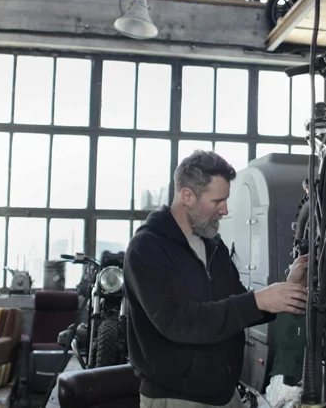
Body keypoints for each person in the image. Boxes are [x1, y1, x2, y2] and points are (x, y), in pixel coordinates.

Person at [124, 149, 309, 408]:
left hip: (223, 393)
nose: (225, 210)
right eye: (217, 201)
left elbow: (238, 304)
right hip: (177, 398)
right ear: (187, 196)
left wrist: (285, 289)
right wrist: (258, 301)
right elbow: (179, 322)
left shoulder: (212, 244)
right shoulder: (147, 248)